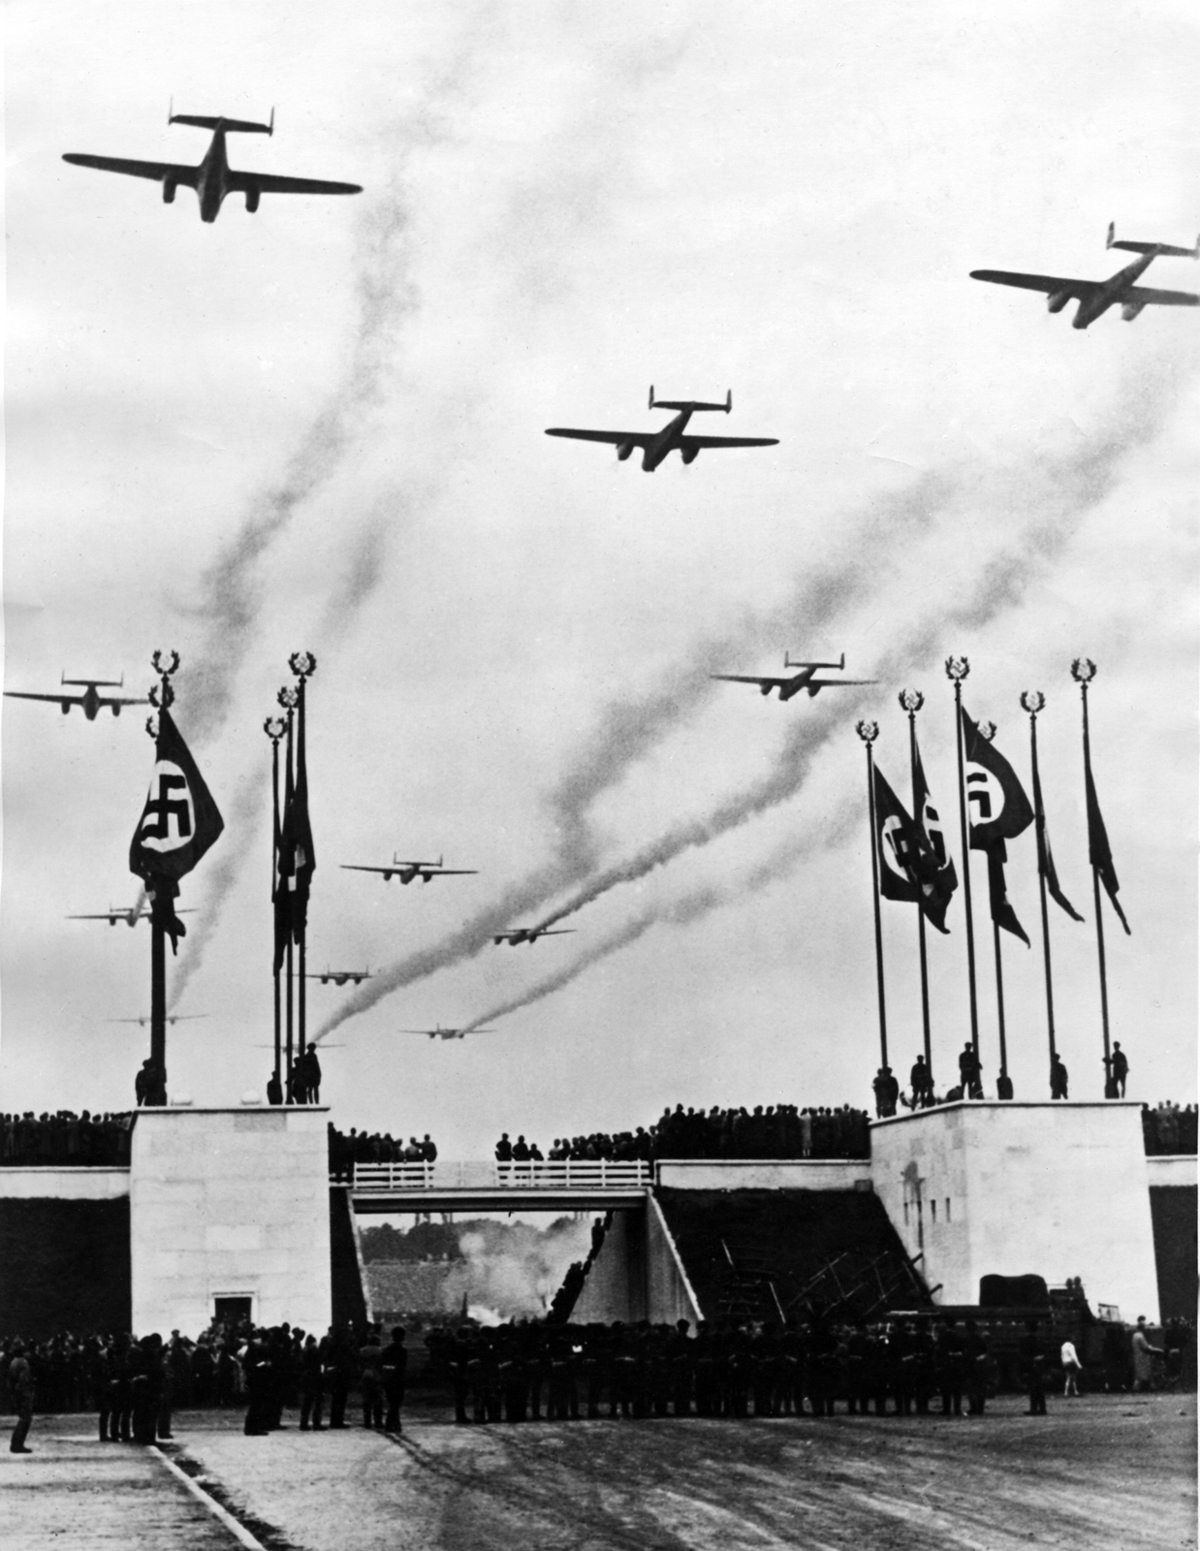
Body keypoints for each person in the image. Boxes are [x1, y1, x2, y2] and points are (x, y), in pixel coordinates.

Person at [7, 1339, 35, 1453]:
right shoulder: (23, 1363)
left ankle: (16, 1444)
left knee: (22, 1419)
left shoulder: (13, 1362)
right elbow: (23, 1380)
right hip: (23, 1394)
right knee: (25, 1419)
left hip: (16, 1393)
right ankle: (18, 1444)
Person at [381, 1327, 408, 1433]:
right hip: (398, 1379)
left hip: (388, 1378)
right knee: (396, 1403)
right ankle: (393, 1424)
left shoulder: (386, 1350)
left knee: (392, 1402)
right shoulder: (402, 1351)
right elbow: (402, 1367)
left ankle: (394, 1424)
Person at [1020, 1320, 1047, 1415]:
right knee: (1039, 1388)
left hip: (1031, 1366)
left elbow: (1023, 1356)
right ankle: (1042, 1408)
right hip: (1039, 1366)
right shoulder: (1039, 1340)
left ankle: (1034, 1408)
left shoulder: (1025, 1341)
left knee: (1033, 1388)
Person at [1131, 1317, 1162, 1392]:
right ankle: (1152, 1386)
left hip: (1137, 1356)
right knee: (1147, 1372)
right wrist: (1158, 1350)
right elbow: (1146, 1347)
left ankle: (1136, 1387)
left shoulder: (1135, 1335)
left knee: (1139, 1374)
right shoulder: (1140, 1336)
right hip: (1143, 1357)